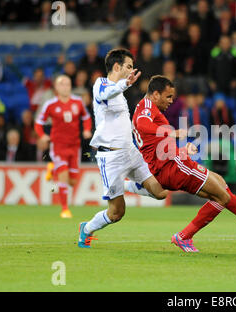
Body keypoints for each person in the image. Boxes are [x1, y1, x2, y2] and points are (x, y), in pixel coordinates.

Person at [132, 75, 236, 252]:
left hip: (171, 164)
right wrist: (171, 134)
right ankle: (184, 236)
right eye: (168, 97)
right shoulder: (147, 109)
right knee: (223, 196)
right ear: (156, 94)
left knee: (220, 183)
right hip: (173, 168)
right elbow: (142, 126)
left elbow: (154, 146)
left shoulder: (145, 107)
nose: (171, 101)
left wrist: (182, 150)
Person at [78, 49, 169, 248]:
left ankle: (127, 185)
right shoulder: (101, 84)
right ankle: (86, 229)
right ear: (117, 67)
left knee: (161, 191)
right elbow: (106, 93)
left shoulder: (120, 92)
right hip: (111, 157)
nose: (131, 71)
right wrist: (124, 84)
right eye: (128, 66)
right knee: (117, 213)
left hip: (131, 152)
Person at [35, 75, 93, 218]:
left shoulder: (78, 102)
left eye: (67, 84)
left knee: (72, 181)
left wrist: (86, 129)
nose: (65, 87)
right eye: (62, 84)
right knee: (63, 176)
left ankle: (52, 168)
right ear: (56, 87)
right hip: (58, 146)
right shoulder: (51, 104)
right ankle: (65, 209)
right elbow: (38, 122)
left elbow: (86, 117)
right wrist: (42, 135)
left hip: (75, 146)